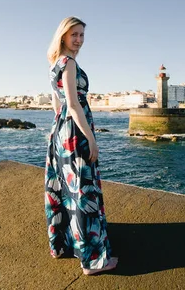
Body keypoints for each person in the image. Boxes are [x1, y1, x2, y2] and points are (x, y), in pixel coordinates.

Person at [44, 16, 118, 275]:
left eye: (82, 35)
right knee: (83, 191)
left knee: (67, 190)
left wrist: (56, 134)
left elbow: (57, 105)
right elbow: (74, 105)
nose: (78, 40)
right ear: (63, 35)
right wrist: (90, 138)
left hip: (60, 132)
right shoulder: (70, 63)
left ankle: (64, 243)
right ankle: (93, 261)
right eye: (74, 34)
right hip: (75, 131)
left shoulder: (54, 64)